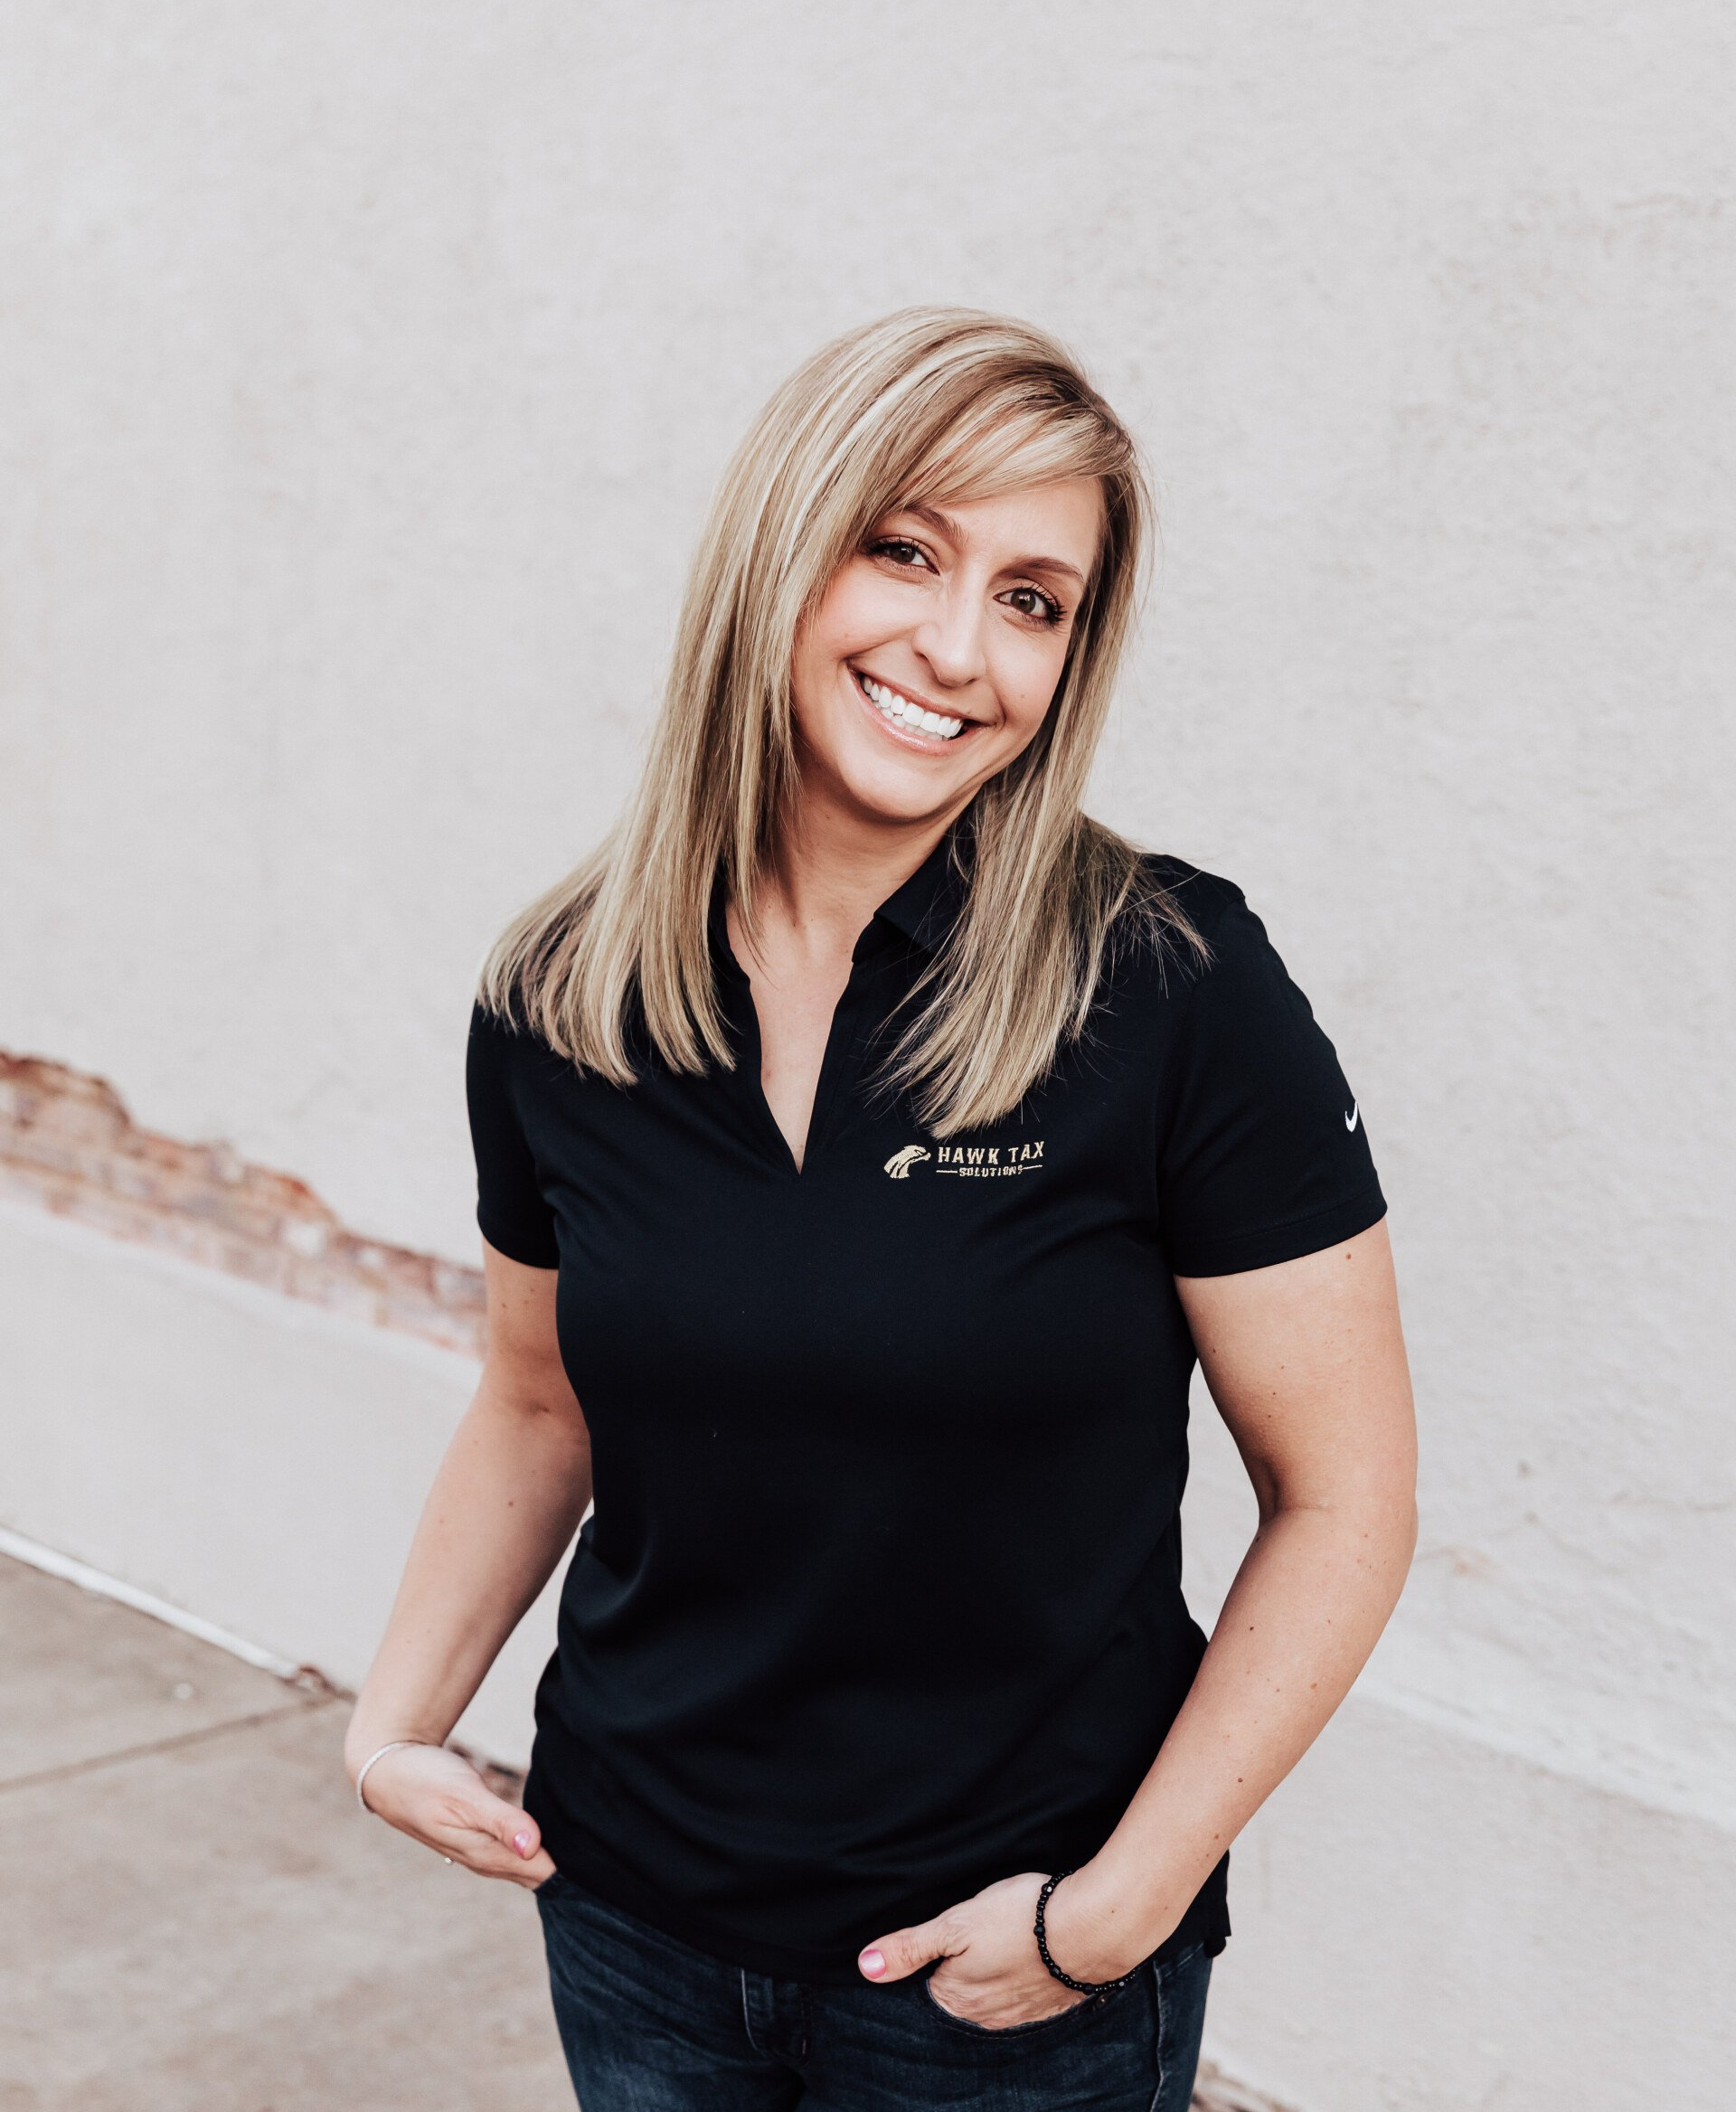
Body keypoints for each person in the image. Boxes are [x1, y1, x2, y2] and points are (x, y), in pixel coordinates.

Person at [344, 307, 1419, 2112]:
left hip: (1002, 1978)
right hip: (632, 1917)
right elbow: (537, 1401)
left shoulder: (1166, 983)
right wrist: (391, 1717)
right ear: (784, 549)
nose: (956, 644)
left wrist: (1111, 1913)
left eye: (1031, 597)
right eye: (904, 549)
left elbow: (1349, 1496)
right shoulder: (561, 991)